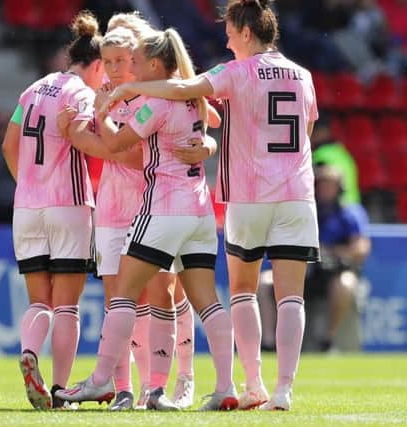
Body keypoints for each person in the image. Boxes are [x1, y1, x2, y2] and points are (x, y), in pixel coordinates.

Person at [100, 0, 320, 411]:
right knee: (293, 297)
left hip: (250, 195)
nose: (227, 39)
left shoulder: (235, 71)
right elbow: (306, 129)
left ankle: (252, 382)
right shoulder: (304, 76)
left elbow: (184, 89)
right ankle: (284, 390)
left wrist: (132, 88)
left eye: (231, 33)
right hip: (298, 195)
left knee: (242, 290)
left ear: (247, 33)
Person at [57, 27, 237, 412]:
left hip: (162, 209)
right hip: (200, 211)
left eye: (136, 62)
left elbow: (117, 143)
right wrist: (208, 144)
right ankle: (226, 386)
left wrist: (103, 112)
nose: (131, 69)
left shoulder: (154, 103)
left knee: (122, 294)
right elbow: (211, 129)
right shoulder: (191, 97)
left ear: (155, 63)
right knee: (207, 301)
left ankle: (100, 380)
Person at [1, 10, 103, 410]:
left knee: (38, 302)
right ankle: (60, 391)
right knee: (67, 305)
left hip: (26, 206)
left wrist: (28, 183)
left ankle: (29, 352)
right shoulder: (82, 94)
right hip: (69, 204)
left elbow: (9, 146)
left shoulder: (32, 90)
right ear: (94, 66)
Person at [306, 164, 371, 351]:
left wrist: (331, 252)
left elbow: (361, 248)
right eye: (322, 184)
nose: (325, 189)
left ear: (340, 188)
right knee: (267, 282)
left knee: (345, 283)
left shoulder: (350, 212)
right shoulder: (308, 209)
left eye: (331, 185)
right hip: (308, 271)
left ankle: (328, 339)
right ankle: (272, 343)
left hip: (337, 270)